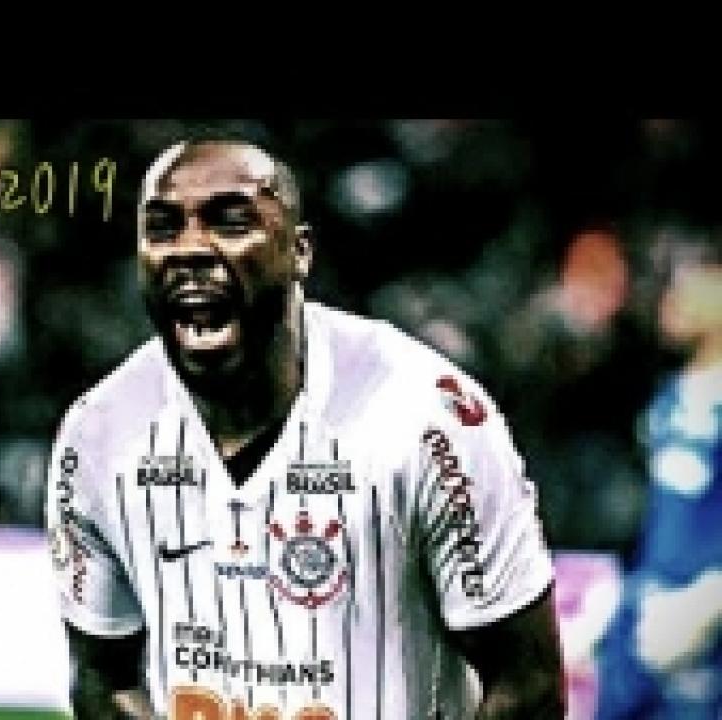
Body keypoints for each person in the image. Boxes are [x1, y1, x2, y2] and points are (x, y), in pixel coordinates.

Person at [44, 138, 565, 719]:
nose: (189, 248)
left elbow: (529, 685)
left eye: (230, 221)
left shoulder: (426, 417)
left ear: (300, 251)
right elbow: (102, 678)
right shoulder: (99, 435)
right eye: (162, 228)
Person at [595, 239, 722, 719]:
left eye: (694, 281)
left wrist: (709, 603)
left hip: (705, 640)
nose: (675, 296)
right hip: (645, 618)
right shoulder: (669, 394)